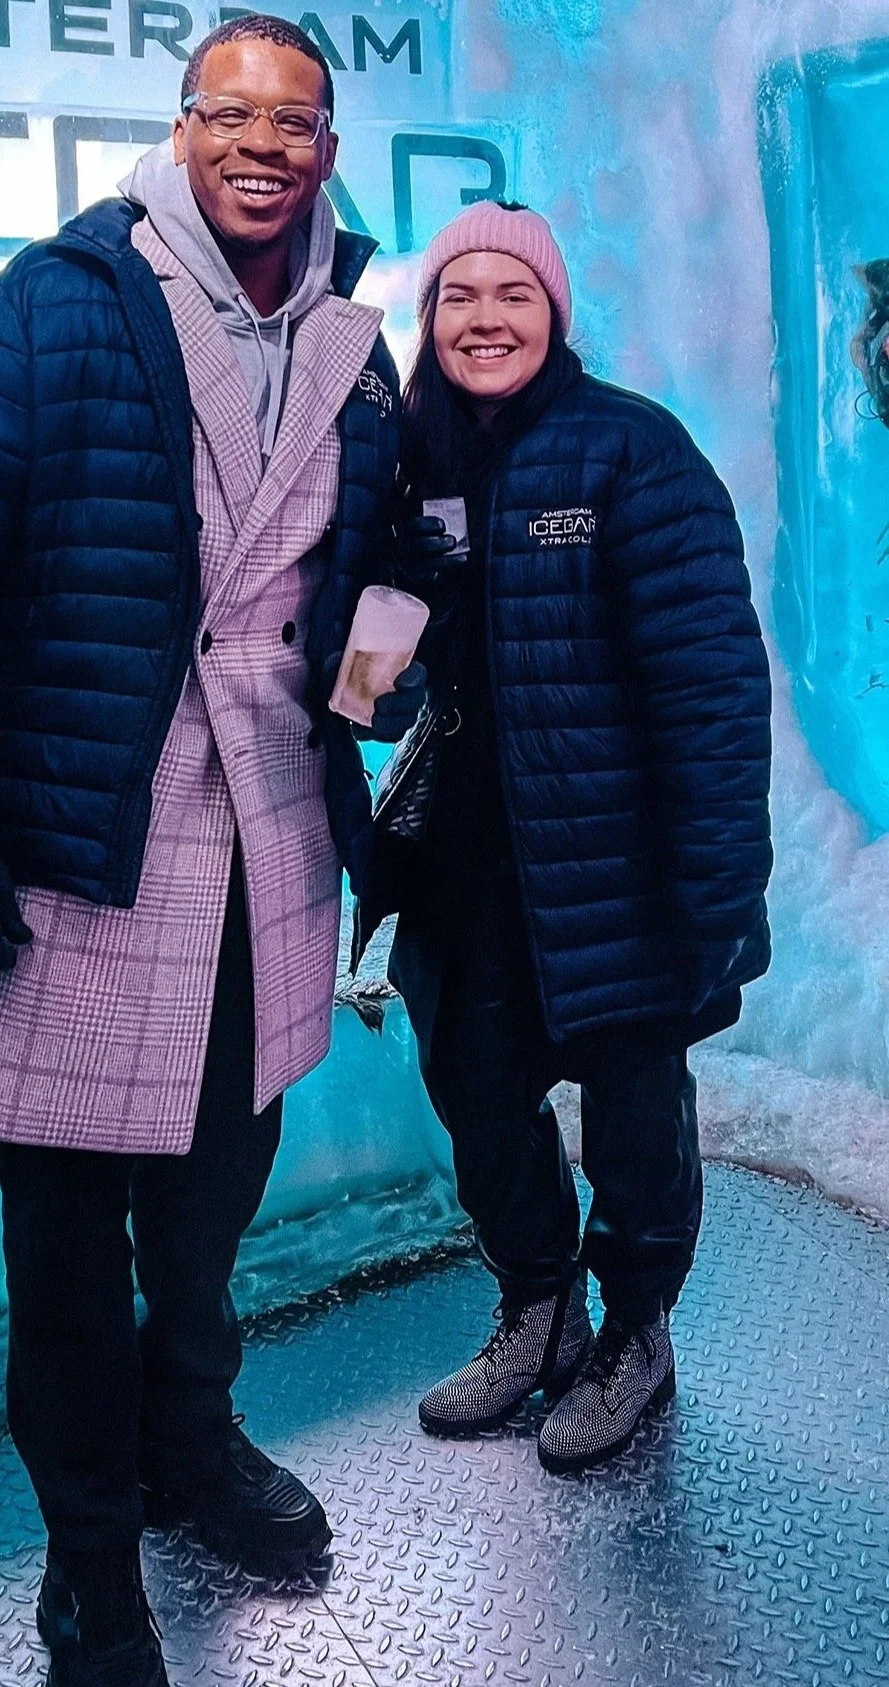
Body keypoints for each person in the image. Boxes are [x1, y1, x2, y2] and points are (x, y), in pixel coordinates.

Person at [0, 17, 422, 1686]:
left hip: (266, 832)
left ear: (325, 146)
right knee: (65, 1225)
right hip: (73, 846)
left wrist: (356, 699)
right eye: (229, 113)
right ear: (181, 131)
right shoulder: (49, 308)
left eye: (293, 119)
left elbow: (388, 572)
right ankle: (91, 1557)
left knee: (209, 1196)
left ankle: (194, 1439)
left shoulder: (357, 345)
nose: (261, 142)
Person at [359, 201, 773, 1476]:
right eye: (459, 298)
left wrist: (715, 885)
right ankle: (538, 1309)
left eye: (512, 296)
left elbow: (710, 688)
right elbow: (380, 636)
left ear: (553, 314)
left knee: (639, 1116)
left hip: (616, 871)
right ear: (431, 319)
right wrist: (364, 679)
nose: (485, 321)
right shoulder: (407, 459)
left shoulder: (629, 454)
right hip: (464, 865)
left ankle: (636, 1332)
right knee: (477, 1097)